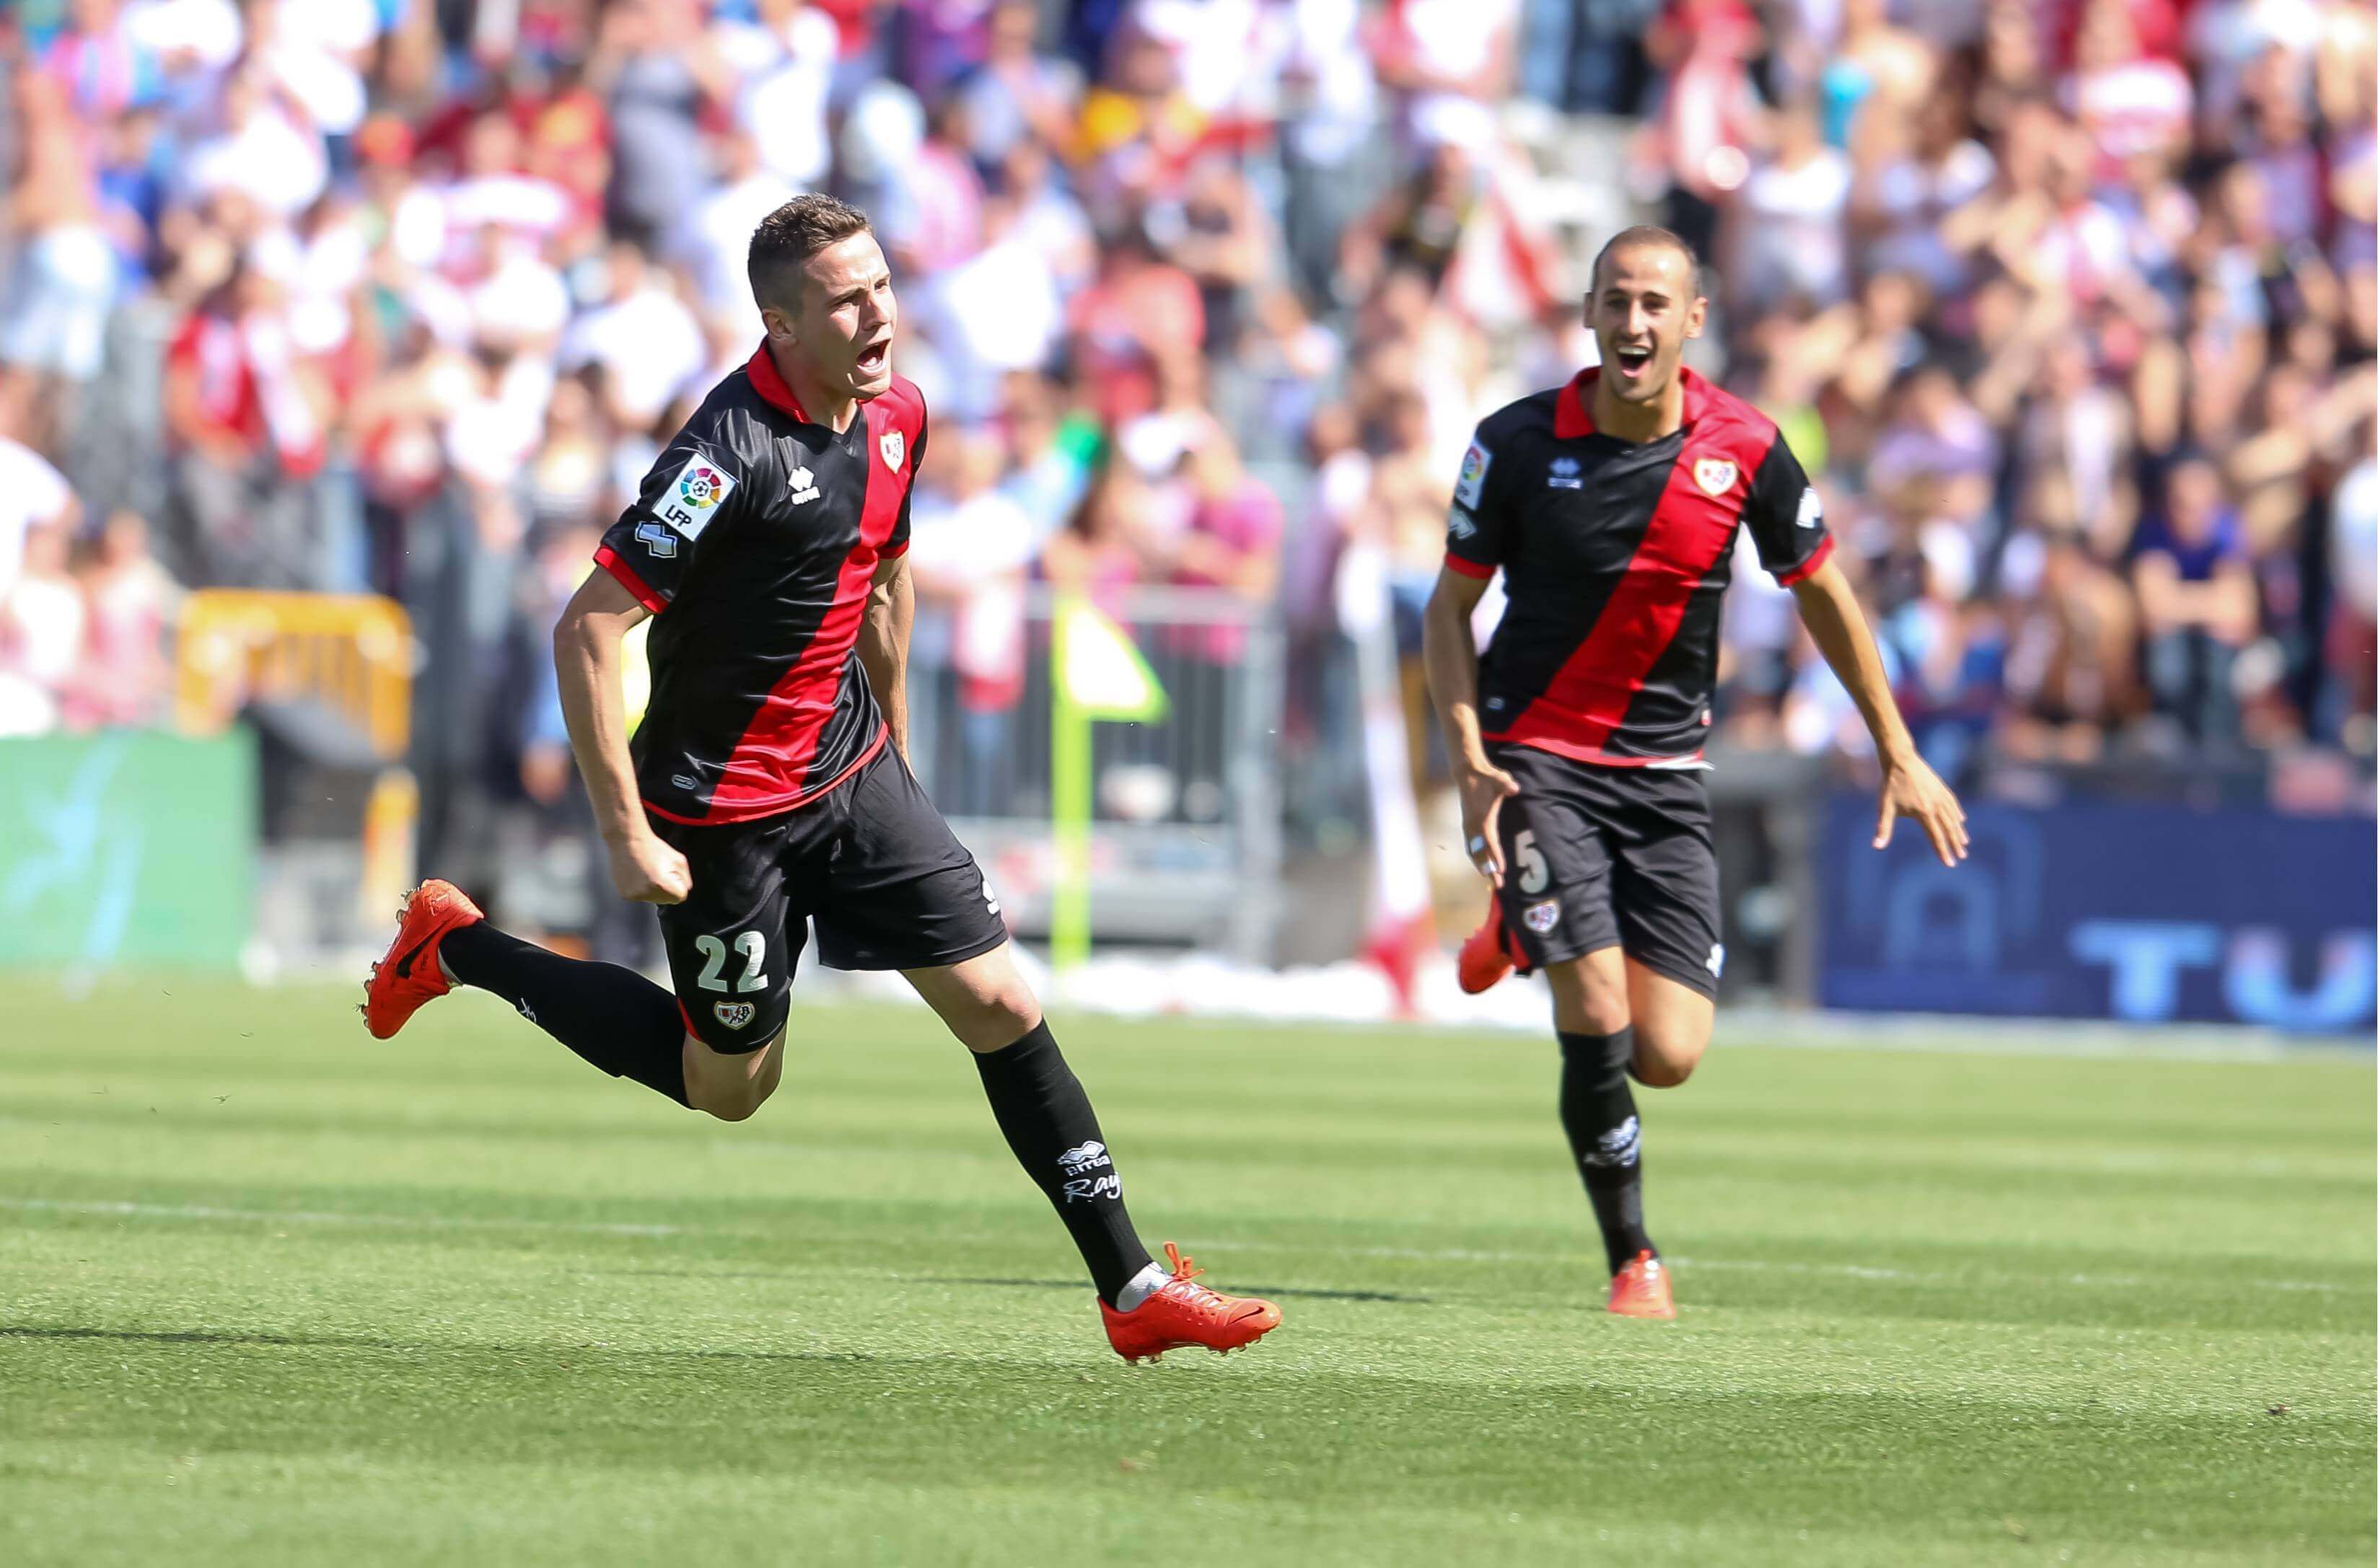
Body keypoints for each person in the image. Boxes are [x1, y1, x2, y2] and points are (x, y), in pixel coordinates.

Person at [361, 195, 1279, 1365]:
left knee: (1002, 1003)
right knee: (731, 1087)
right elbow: (589, 631)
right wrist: (624, 831)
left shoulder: (900, 414)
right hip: (724, 811)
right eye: (846, 298)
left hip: (849, 772)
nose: (878, 313)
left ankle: (1131, 1284)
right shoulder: (722, 454)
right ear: (781, 324)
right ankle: (459, 946)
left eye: (884, 284)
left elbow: (884, 571)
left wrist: (890, 726)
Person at [1421, 226, 1968, 1319]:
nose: (1634, 324)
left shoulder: (1748, 450)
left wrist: (1897, 747)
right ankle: (1635, 1257)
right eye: (1615, 301)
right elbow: (1448, 607)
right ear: (1587, 313)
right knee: (1598, 1002)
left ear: (1692, 320)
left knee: (1667, 1053)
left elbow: (1823, 592)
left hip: (1666, 774)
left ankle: (1520, 924)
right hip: (1538, 760)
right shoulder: (1517, 443)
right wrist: (1472, 759)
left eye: (1655, 305)